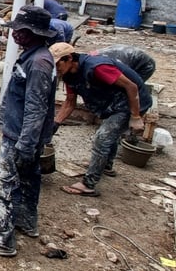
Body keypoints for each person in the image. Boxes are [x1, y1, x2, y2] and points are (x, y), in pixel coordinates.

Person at [0, 5, 58, 257]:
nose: (14, 34)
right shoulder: (35, 56)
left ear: (34, 32)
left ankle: (1, 240)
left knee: (4, 185)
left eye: (19, 30)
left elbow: (36, 108)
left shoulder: (38, 63)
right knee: (30, 179)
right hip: (26, 136)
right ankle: (26, 222)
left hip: (20, 137)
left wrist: (25, 145)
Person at [52, 43, 153, 197]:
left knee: (102, 137)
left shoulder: (97, 67)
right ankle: (106, 166)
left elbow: (131, 87)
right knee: (109, 135)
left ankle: (88, 184)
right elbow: (70, 102)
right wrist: (55, 123)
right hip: (112, 102)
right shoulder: (68, 74)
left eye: (58, 63)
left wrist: (135, 116)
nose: (55, 68)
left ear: (69, 58)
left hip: (129, 103)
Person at [91, 44, 156, 82]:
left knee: (132, 84)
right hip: (131, 57)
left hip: (146, 65)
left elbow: (123, 79)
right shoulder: (94, 57)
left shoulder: (115, 63)